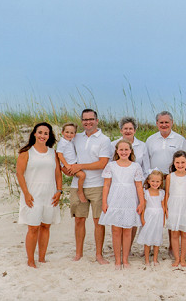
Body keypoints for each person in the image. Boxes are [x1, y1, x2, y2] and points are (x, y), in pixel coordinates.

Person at [64, 109, 112, 264]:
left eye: (91, 119)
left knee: (98, 221)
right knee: (79, 220)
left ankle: (99, 255)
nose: (88, 122)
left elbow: (102, 163)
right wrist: (68, 169)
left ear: (97, 120)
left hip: (98, 185)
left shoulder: (104, 140)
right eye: (85, 119)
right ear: (81, 121)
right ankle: (79, 254)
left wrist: (79, 166)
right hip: (77, 185)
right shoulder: (75, 137)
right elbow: (63, 153)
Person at [16, 122, 62, 268]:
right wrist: (26, 194)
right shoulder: (26, 153)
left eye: (46, 133)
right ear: (34, 134)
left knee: (46, 226)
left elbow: (58, 174)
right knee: (33, 228)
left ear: (49, 136)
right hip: (33, 195)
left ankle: (42, 257)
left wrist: (59, 191)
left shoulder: (52, 153)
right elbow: (19, 174)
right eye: (40, 132)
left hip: (49, 194)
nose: (43, 135)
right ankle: (31, 260)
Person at [146, 111, 186, 256]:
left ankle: (172, 247)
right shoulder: (151, 140)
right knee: (153, 213)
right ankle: (150, 245)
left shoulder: (180, 139)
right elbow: (147, 161)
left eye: (166, 122)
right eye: (161, 122)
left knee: (172, 213)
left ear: (171, 123)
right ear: (157, 123)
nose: (164, 125)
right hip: (155, 182)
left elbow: (185, 161)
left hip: (174, 180)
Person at [99, 140, 145, 269]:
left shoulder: (135, 166)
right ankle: (117, 260)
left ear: (130, 151)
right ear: (117, 151)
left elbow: (139, 186)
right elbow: (106, 185)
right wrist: (104, 202)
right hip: (115, 200)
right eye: (121, 149)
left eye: (126, 149)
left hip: (130, 201)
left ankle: (125, 259)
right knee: (116, 230)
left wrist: (141, 202)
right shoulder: (111, 166)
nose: (124, 152)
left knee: (127, 230)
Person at [111, 116, 150, 252]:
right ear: (121, 130)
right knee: (118, 218)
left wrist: (143, 190)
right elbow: (112, 166)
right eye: (125, 128)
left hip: (136, 187)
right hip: (118, 188)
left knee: (132, 218)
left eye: (130, 129)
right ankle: (118, 248)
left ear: (135, 130)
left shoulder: (142, 145)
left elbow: (146, 169)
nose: (128, 131)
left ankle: (127, 249)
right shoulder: (113, 144)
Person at [165, 151, 186, 267]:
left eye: (183, 162)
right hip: (173, 206)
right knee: (174, 233)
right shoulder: (169, 177)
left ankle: (183, 258)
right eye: (177, 162)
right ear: (174, 163)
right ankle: (176, 258)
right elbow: (167, 194)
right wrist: (166, 209)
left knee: (185, 233)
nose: (180, 165)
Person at [137, 169, 166, 266]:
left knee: (157, 237)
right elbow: (143, 207)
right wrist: (142, 219)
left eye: (157, 181)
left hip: (158, 215)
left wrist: (163, 219)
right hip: (149, 215)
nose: (155, 183)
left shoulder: (162, 193)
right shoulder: (146, 192)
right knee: (148, 238)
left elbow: (163, 206)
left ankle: (155, 259)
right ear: (148, 181)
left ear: (161, 182)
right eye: (153, 181)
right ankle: (146, 260)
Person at [56, 123, 87, 202]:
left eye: (72, 133)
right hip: (68, 166)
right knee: (82, 175)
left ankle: (80, 189)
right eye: (67, 132)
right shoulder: (62, 143)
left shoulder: (70, 141)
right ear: (62, 132)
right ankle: (80, 191)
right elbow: (60, 155)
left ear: (74, 134)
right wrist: (66, 166)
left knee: (82, 174)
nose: (69, 134)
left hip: (73, 164)